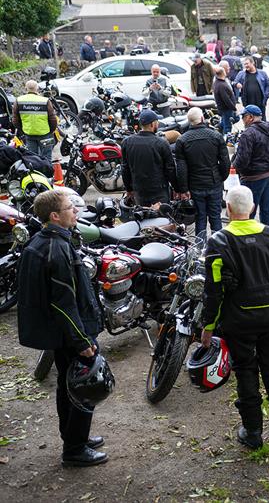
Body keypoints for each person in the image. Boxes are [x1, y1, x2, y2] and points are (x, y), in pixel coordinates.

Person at [201, 185, 269, 450]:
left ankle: (253, 432)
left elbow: (212, 291)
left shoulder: (218, 242)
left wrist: (208, 327)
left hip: (239, 320)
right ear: (254, 208)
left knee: (245, 371)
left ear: (228, 209)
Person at [17, 189, 106, 467]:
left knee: (67, 385)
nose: (76, 211)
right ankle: (75, 450)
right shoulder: (57, 249)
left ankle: (74, 437)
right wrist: (82, 341)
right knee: (83, 386)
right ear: (55, 216)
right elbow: (63, 303)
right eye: (71, 208)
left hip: (61, 333)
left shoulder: (44, 241)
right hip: (70, 334)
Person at [175, 107, 231, 237]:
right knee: (216, 217)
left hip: (195, 185)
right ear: (202, 118)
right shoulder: (216, 136)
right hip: (214, 182)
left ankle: (200, 250)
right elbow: (225, 162)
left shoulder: (182, 140)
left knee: (200, 218)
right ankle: (218, 248)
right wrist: (221, 177)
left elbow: (181, 167)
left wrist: (184, 189)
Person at [233, 105, 269, 226]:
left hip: (253, 178)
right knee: (266, 211)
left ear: (250, 117)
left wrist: (233, 167)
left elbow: (243, 160)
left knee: (248, 213)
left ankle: (247, 240)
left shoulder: (248, 134)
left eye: (244, 117)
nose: (243, 120)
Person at [122, 110, 179, 206]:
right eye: (157, 123)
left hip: (139, 191)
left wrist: (129, 189)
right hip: (159, 191)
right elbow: (170, 169)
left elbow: (125, 169)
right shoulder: (162, 143)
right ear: (153, 124)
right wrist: (177, 189)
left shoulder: (127, 142)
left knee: (143, 218)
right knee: (161, 219)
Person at [12, 80, 58, 159]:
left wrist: (23, 130)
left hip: (29, 134)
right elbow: (53, 119)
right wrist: (51, 131)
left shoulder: (18, 101)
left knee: (33, 158)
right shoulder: (45, 101)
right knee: (47, 157)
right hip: (46, 134)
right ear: (37, 88)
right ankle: (47, 171)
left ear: (26, 88)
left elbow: (15, 120)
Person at [234, 57, 269, 121]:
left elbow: (268, 85)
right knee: (249, 120)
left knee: (262, 120)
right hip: (248, 103)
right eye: (244, 64)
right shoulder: (241, 74)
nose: (245, 66)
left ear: (252, 63)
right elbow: (234, 82)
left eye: (247, 64)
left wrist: (266, 96)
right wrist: (236, 84)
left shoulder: (262, 73)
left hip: (260, 102)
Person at [213, 66, 237, 135]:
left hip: (224, 109)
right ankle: (226, 140)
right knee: (227, 127)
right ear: (223, 73)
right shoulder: (221, 85)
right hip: (226, 109)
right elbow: (226, 99)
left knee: (231, 120)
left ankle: (219, 127)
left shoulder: (218, 83)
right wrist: (233, 108)